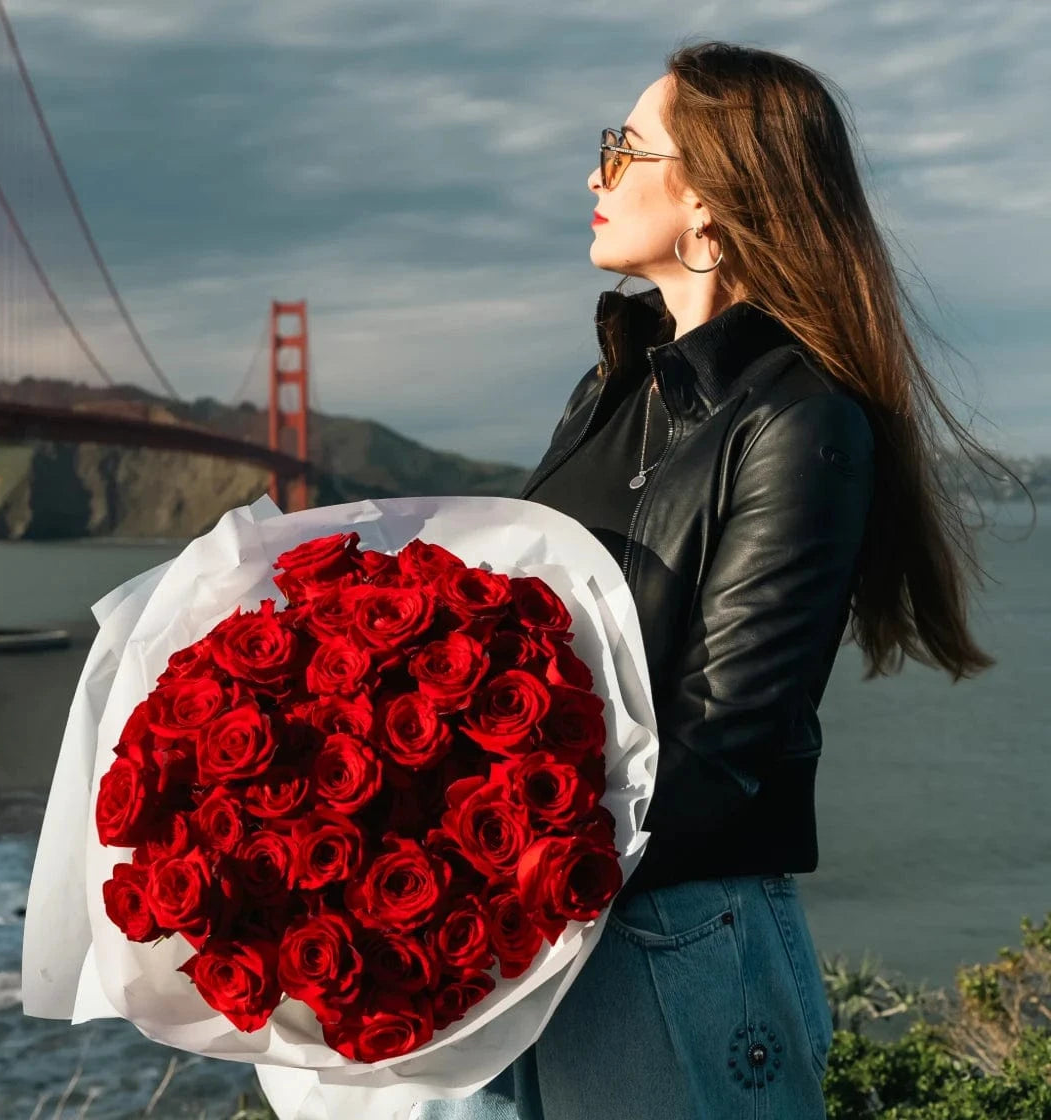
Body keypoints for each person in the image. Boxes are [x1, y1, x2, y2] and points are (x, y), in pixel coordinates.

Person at [419, 40, 1007, 1120]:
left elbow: (722, 740)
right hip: (543, 935)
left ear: (709, 206)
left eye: (621, 149)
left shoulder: (800, 420)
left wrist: (489, 869)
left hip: (670, 943)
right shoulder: (608, 390)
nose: (590, 178)